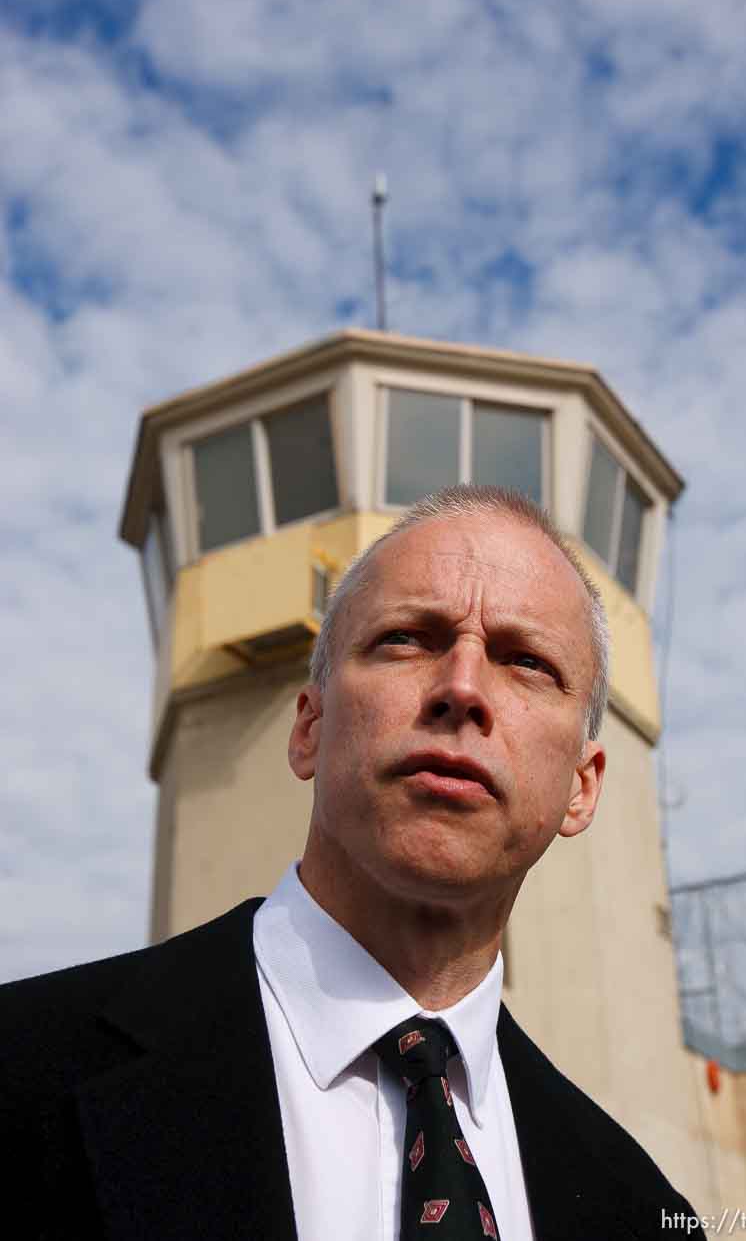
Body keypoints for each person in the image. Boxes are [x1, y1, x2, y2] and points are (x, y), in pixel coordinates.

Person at [1, 484, 703, 1240]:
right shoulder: (22, 1069)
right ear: (309, 726)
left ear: (581, 787)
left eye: (526, 660)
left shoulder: (643, 1211)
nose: (461, 688)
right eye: (407, 638)